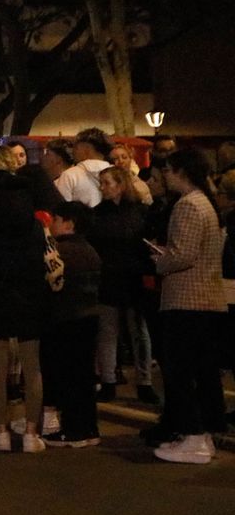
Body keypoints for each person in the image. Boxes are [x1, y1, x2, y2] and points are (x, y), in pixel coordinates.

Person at [144, 149, 227, 465]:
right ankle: (203, 431)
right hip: (206, 299)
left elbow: (183, 255)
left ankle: (192, 434)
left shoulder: (189, 205)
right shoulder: (206, 204)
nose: (165, 177)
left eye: (167, 171)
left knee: (180, 371)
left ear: (180, 171)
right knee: (203, 371)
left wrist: (159, 260)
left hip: (187, 299)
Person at [0, 172, 59, 452]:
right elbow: (54, 268)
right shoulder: (36, 226)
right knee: (33, 370)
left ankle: (2, 432)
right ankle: (31, 433)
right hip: (31, 303)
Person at [91, 166, 158, 404]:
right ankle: (109, 380)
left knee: (138, 331)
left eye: (107, 183)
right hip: (110, 278)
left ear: (120, 185)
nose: (103, 187)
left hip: (132, 278)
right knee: (109, 332)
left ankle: (144, 380)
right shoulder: (98, 214)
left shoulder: (140, 212)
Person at [42, 202, 102, 447]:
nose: (52, 224)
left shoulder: (60, 251)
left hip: (65, 319)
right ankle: (88, 428)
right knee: (84, 376)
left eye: (55, 219)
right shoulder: (90, 250)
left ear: (69, 223)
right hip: (88, 319)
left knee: (67, 376)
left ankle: (74, 430)